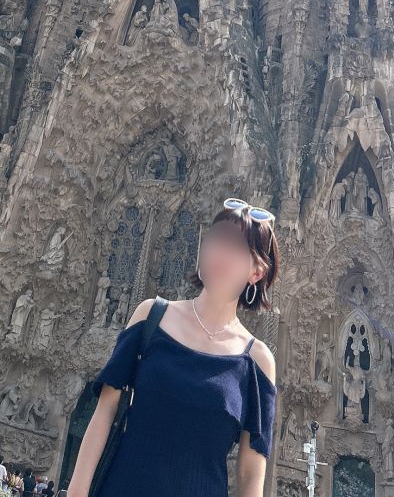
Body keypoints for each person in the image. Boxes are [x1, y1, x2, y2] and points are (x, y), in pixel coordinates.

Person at [67, 197, 279, 497]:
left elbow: (250, 474)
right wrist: (77, 491)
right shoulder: (151, 316)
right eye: (216, 239)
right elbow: (105, 411)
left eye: (234, 247)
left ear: (256, 271)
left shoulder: (257, 361)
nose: (219, 252)